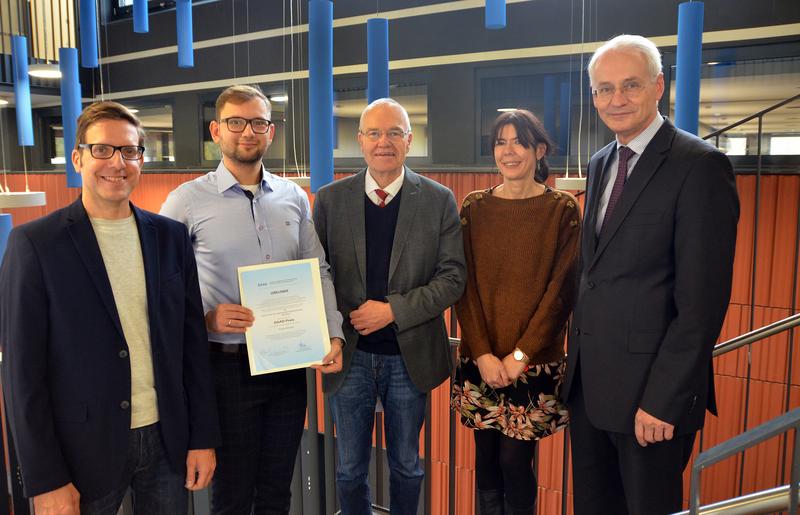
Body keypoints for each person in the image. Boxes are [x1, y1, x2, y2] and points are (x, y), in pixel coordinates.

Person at [0, 101, 220, 515]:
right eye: (103, 150)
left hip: (166, 440)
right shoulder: (35, 244)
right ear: (78, 157)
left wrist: (201, 437)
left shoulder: (171, 238)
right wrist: (45, 479)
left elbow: (191, 346)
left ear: (141, 159)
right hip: (80, 451)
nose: (117, 163)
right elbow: (22, 375)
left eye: (130, 151)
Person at [561, 34, 740, 515]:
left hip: (649, 401)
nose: (615, 99)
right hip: (591, 391)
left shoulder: (700, 165)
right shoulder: (601, 162)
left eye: (630, 85)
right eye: (603, 89)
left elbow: (701, 303)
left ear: (658, 87)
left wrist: (664, 399)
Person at [160, 84, 344, 515]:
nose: (248, 132)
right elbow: (163, 285)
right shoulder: (186, 200)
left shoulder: (293, 196)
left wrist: (331, 333)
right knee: (233, 494)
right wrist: (206, 318)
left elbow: (317, 268)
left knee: (278, 488)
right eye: (236, 122)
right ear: (216, 131)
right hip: (223, 367)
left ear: (271, 132)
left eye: (258, 122)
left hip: (286, 365)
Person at [312, 97, 466, 515]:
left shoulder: (438, 199)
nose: (385, 141)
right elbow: (317, 275)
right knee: (348, 468)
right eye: (375, 133)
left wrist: (392, 309)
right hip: (349, 355)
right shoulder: (329, 200)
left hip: (408, 355)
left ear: (409, 140)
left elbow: (454, 278)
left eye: (395, 132)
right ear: (360, 141)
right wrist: (318, 336)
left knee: (406, 464)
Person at [451, 109, 578, 515]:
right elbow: (463, 287)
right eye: (500, 142)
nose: (509, 151)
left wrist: (519, 356)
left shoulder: (562, 208)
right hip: (480, 360)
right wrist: (484, 353)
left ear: (539, 150)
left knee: (514, 461)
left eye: (519, 142)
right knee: (485, 460)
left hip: (533, 364)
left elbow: (561, 292)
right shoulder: (474, 206)